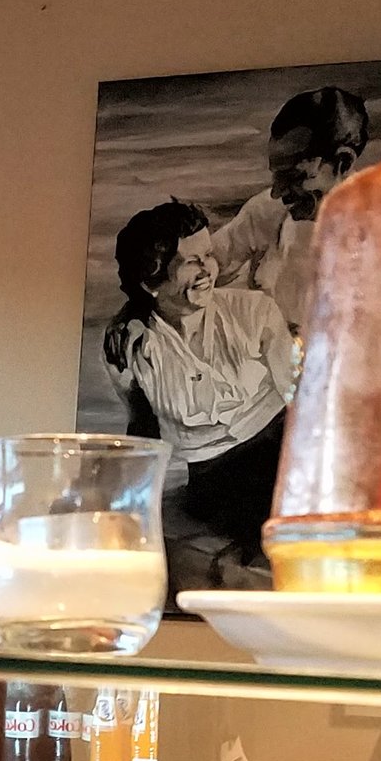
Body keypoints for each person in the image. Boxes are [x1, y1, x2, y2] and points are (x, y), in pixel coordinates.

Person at [102, 199, 298, 585]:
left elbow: (300, 401)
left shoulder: (254, 312)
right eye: (191, 261)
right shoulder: (130, 342)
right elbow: (143, 424)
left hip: (277, 448)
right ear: (151, 280)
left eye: (208, 255)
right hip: (209, 475)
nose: (207, 269)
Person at [209, 85, 372, 334]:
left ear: (343, 162)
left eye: (294, 176)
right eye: (277, 175)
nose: (277, 192)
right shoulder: (266, 211)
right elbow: (205, 264)